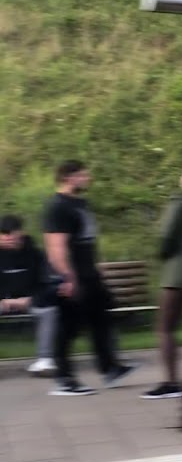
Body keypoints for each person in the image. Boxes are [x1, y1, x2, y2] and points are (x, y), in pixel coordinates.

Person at [44, 160, 134, 396]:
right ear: (68, 177)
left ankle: (110, 368)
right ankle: (63, 379)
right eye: (83, 175)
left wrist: (95, 269)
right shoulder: (58, 207)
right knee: (69, 327)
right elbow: (56, 248)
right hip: (71, 275)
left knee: (101, 318)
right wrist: (67, 278)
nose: (87, 179)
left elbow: (88, 242)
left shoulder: (80, 204)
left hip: (89, 273)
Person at [143, 162, 182, 400]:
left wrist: (162, 254)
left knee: (166, 327)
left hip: (177, 271)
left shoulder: (180, 201)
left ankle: (171, 381)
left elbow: (167, 235)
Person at [0, 215, 59, 376]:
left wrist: (30, 300)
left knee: (49, 310)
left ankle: (45, 360)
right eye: (5, 235)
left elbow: (47, 283)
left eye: (13, 234)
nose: (10, 239)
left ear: (21, 233)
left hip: (32, 300)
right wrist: (6, 301)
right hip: (3, 301)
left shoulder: (35, 254)